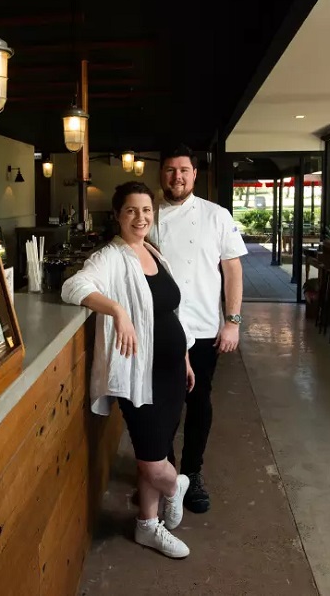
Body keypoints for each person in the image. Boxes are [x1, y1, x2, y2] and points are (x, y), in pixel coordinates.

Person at [61, 181, 196, 559]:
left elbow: (171, 312)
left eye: (147, 210)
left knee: (154, 451)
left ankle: (146, 525)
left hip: (172, 370)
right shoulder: (111, 256)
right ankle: (177, 486)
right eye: (132, 211)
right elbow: (74, 287)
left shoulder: (153, 251)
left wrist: (184, 356)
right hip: (141, 374)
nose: (140, 218)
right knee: (154, 462)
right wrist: (117, 310)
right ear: (118, 216)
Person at [148, 143, 247, 514]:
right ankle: (168, 477)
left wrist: (232, 322)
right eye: (170, 170)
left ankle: (193, 473)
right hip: (162, 329)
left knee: (198, 401)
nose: (177, 176)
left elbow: (233, 269)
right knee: (164, 405)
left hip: (205, 326)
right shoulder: (149, 216)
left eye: (184, 170)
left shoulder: (216, 215)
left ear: (194, 174)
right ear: (162, 174)